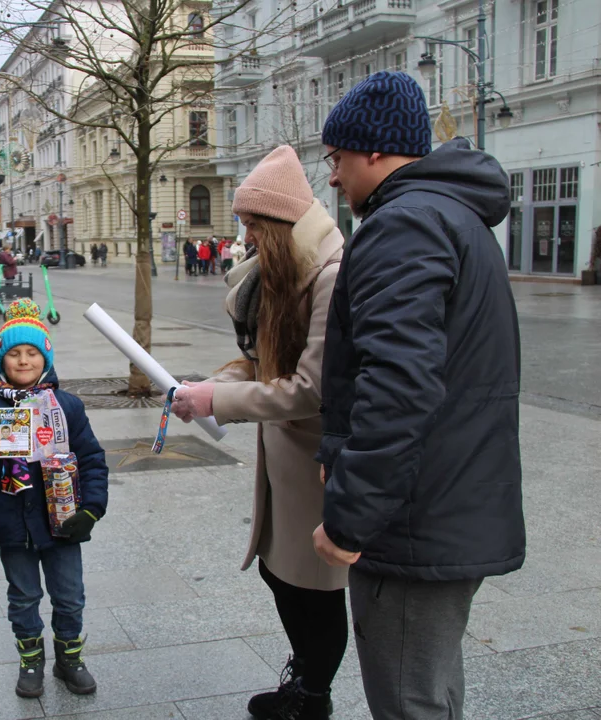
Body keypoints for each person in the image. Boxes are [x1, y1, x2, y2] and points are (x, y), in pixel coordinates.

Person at [314, 71, 524, 720]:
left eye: (338, 158)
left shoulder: (402, 225)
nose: (333, 176)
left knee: (409, 701)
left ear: (374, 151)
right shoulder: (453, 216)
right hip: (451, 504)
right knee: (432, 690)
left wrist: (350, 516)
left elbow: (399, 385)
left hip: (413, 520)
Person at [171, 146, 346, 720]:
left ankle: (312, 698)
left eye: (249, 223)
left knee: (313, 587)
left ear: (275, 223)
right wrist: (217, 382)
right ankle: (303, 680)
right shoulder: (287, 265)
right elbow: (266, 362)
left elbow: (308, 388)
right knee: (281, 574)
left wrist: (217, 398)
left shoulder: (327, 274)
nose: (242, 235)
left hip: (315, 455)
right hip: (285, 452)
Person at [0, 299, 109, 699]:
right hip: (12, 526)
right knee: (23, 596)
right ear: (0, 359)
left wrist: (91, 509)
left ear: (45, 357)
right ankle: (31, 660)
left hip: (63, 524)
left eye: (32, 353)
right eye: (14, 353)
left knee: (69, 596)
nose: (23, 361)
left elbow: (92, 459)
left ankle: (70, 658)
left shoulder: (68, 407)